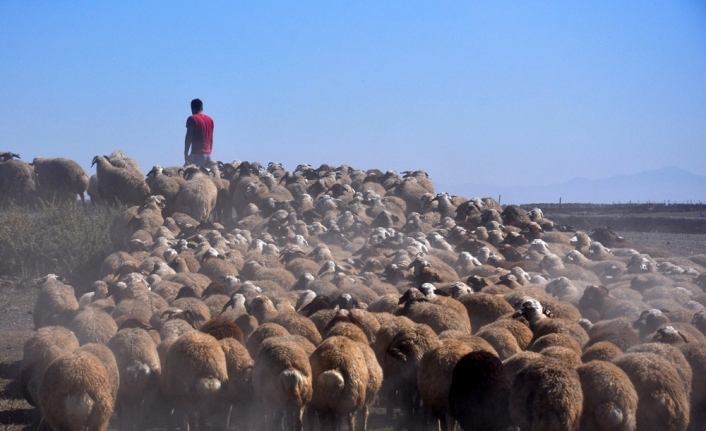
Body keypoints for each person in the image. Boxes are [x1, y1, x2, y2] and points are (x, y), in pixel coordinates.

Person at [184, 98, 214, 167]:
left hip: (196, 154)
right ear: (202, 108)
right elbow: (211, 140)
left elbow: (188, 137)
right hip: (208, 155)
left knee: (184, 174)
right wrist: (209, 152)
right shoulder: (210, 120)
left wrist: (186, 154)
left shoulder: (192, 119)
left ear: (192, 108)